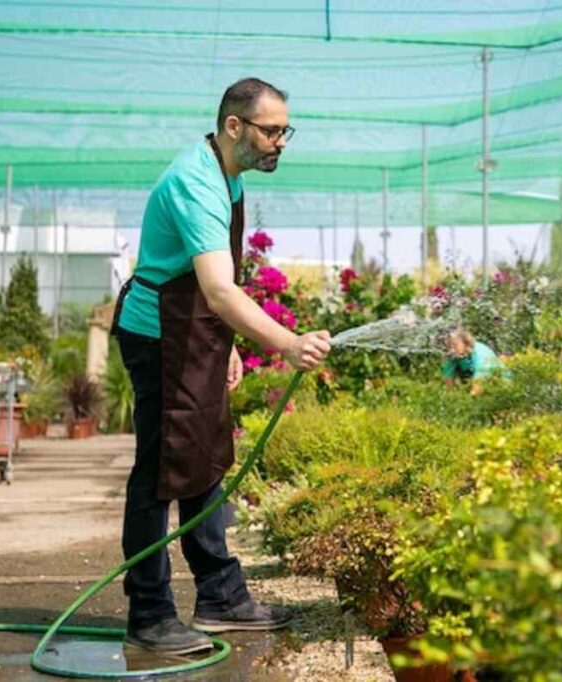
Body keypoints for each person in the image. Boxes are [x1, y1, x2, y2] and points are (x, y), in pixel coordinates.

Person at [110, 77, 331, 655]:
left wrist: (225, 342)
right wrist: (285, 343)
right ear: (235, 126)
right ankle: (150, 613)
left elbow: (214, 279)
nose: (281, 141)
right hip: (158, 335)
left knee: (206, 457)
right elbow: (218, 289)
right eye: (271, 130)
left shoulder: (228, 174)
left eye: (286, 130)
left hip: (195, 330)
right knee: (159, 474)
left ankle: (220, 597)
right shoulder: (195, 181)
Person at [441, 329, 507, 395]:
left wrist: (466, 402)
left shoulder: (481, 354)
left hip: (501, 383)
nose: (452, 349)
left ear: (465, 342)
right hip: (475, 382)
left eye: (455, 345)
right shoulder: (453, 355)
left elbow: (478, 388)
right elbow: (449, 384)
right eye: (449, 345)